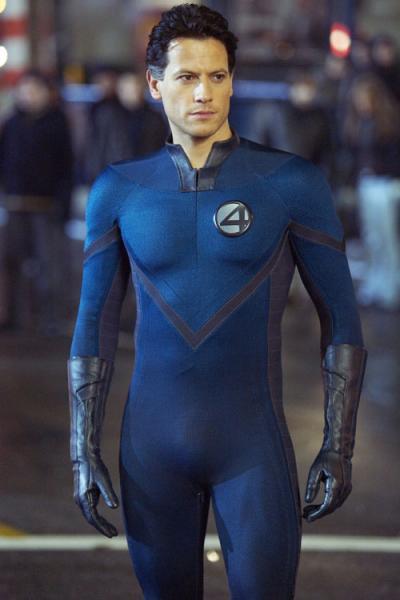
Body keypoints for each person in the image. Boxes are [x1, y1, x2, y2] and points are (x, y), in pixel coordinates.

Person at [67, 4, 368, 599]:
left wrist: (338, 447)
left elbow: (342, 320)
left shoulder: (290, 184)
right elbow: (93, 324)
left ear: (232, 80)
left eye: (217, 76)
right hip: (151, 451)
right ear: (155, 84)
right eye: (186, 77)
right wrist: (82, 449)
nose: (204, 92)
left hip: (252, 449)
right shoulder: (120, 189)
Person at [0, 69, 73, 332]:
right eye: (25, 89)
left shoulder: (57, 122)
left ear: (45, 93)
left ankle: (49, 317)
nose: (28, 95)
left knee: (49, 265)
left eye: (34, 89)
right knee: (12, 263)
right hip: (15, 202)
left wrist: (63, 203)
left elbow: (66, 166)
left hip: (46, 204)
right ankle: (13, 316)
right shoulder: (11, 122)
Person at [341, 71, 400, 309]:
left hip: (386, 185)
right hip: (367, 183)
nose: (361, 103)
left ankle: (391, 286)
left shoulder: (389, 122)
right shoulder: (358, 124)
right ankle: (375, 284)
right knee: (372, 238)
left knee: (387, 238)